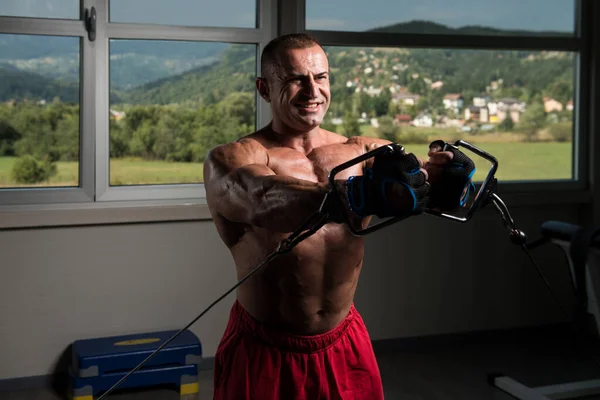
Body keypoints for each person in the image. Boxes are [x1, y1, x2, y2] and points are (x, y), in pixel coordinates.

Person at [203, 33, 473, 400]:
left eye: (321, 77)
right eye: (296, 79)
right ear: (265, 89)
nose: (312, 90)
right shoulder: (236, 157)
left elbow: (430, 191)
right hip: (265, 350)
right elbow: (262, 198)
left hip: (344, 343)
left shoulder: (362, 151)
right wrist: (353, 195)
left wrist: (448, 178)